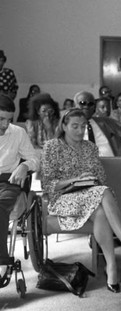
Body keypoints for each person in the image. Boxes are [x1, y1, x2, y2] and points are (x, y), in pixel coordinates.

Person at [41, 108, 121, 292]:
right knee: (103, 193)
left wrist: (89, 179)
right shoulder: (52, 146)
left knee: (101, 209)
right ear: (64, 126)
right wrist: (75, 180)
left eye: (83, 126)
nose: (80, 131)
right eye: (75, 126)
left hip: (91, 194)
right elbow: (47, 185)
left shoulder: (90, 147)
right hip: (63, 198)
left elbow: (101, 178)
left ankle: (111, 266)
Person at [0, 94, 39, 279]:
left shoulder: (18, 133)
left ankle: (1, 261)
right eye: (1, 119)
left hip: (9, 182)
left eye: (9, 120)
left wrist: (24, 166)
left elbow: (35, 159)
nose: (5, 125)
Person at [74, 91, 121, 157]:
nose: (86, 106)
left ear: (94, 107)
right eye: (82, 103)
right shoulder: (69, 127)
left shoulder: (105, 122)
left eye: (90, 104)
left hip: (111, 164)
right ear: (75, 105)